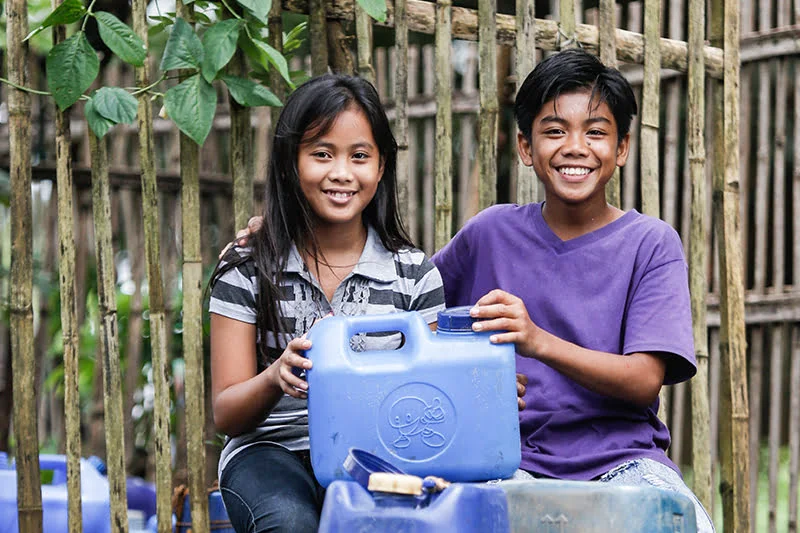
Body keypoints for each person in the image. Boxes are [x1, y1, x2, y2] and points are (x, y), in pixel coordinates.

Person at [431, 48, 713, 532]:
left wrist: (537, 342)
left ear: (622, 148)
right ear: (525, 147)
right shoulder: (489, 233)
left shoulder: (650, 243)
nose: (575, 147)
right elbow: (413, 308)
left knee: (683, 524)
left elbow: (645, 378)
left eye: (596, 132)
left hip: (624, 463)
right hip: (505, 461)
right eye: (555, 130)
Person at [208, 74, 449, 533]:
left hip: (379, 454)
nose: (341, 172)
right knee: (291, 524)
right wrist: (276, 377)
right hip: (270, 451)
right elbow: (227, 412)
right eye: (322, 154)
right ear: (289, 163)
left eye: (359, 156)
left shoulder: (413, 275)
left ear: (381, 167)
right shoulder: (248, 267)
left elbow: (429, 395)